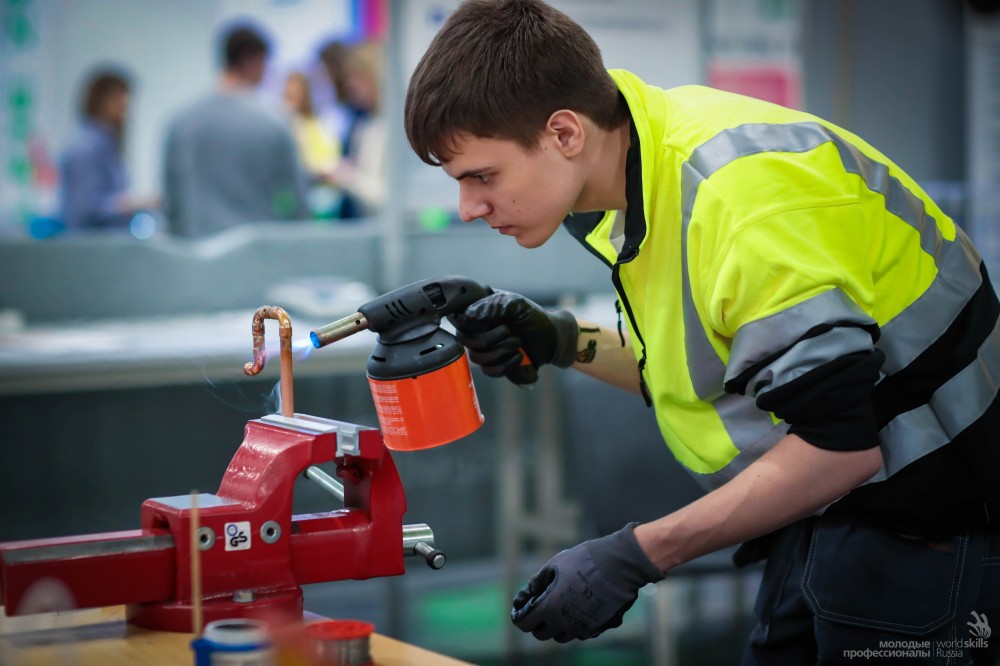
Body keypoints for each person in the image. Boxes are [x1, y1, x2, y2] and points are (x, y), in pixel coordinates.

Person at [404, 1, 1000, 664]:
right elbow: (715, 369)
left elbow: (839, 446)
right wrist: (563, 340)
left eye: (482, 176)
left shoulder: (735, 197)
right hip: (834, 516)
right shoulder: (639, 173)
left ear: (564, 133)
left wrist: (638, 553)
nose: (467, 208)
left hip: (931, 527)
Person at [162, 23, 307, 237]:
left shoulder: (180, 124)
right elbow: (297, 205)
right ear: (253, 59)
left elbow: (172, 204)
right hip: (258, 258)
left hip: (196, 259)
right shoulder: (274, 125)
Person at [59, 68, 156, 230]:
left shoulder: (106, 145)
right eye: (119, 101)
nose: (125, 110)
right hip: (90, 247)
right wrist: (130, 203)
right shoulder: (86, 148)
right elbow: (82, 210)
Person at [318, 41, 386, 220]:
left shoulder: (388, 129)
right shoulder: (366, 124)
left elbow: (383, 196)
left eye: (358, 77)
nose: (351, 84)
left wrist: (345, 175)